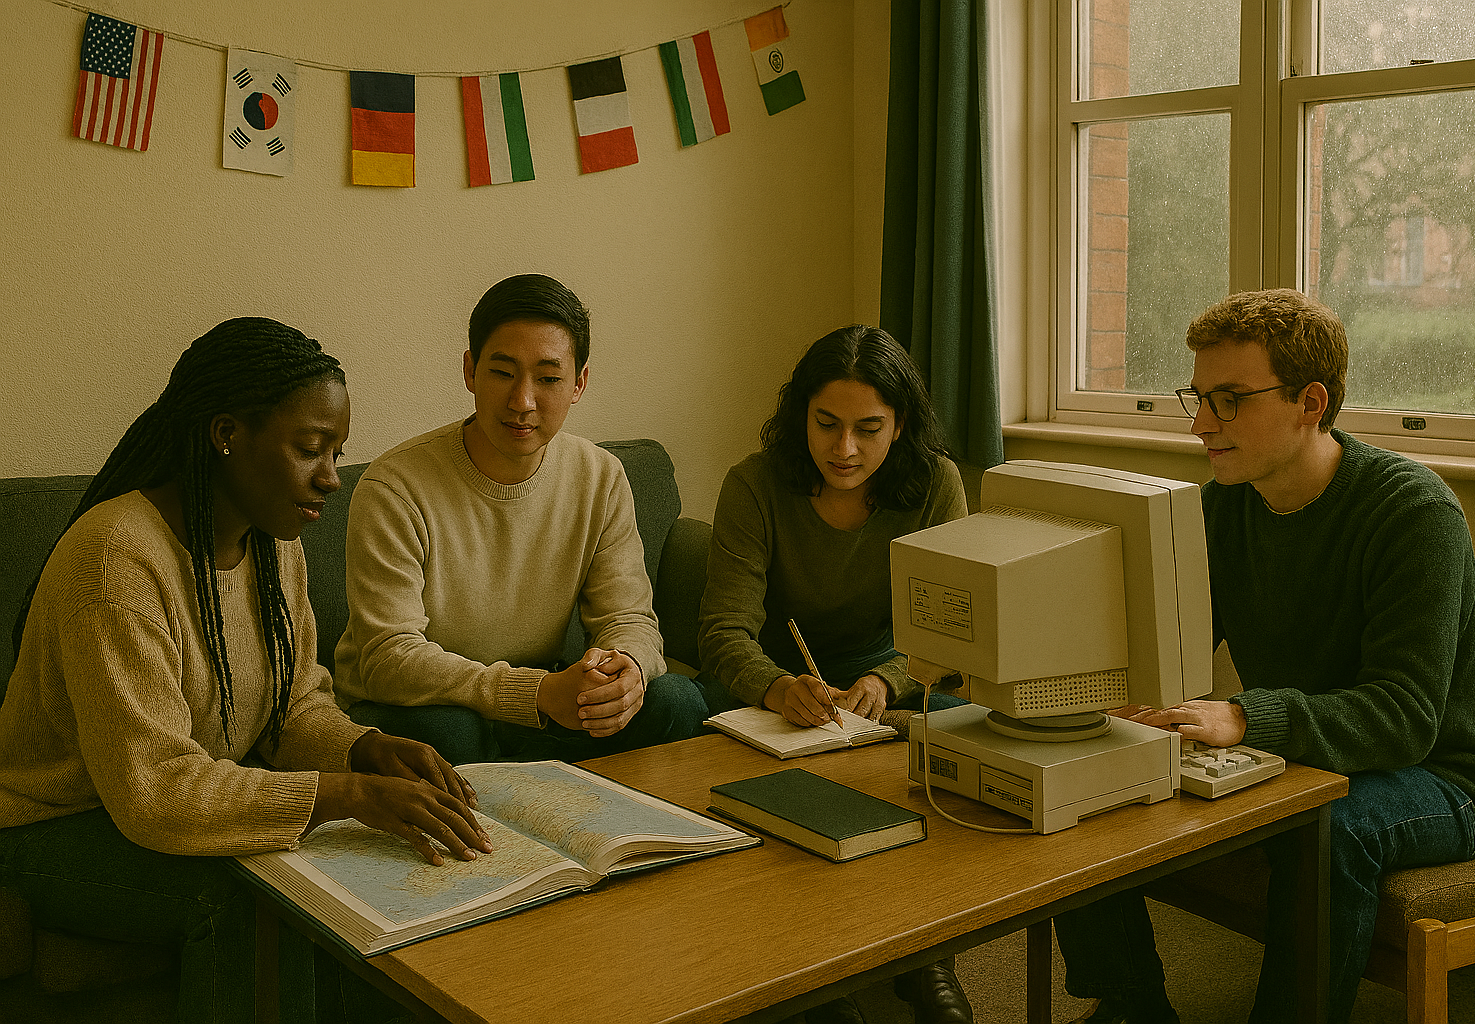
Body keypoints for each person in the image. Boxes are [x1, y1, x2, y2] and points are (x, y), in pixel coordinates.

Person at [0, 318, 491, 1024]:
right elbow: (155, 790)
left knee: (373, 867)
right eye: (310, 449)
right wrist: (349, 793)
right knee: (254, 898)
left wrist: (365, 748)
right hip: (52, 827)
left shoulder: (273, 542)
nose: (332, 476)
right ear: (227, 433)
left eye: (337, 452)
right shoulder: (115, 561)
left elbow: (294, 710)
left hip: (149, 810)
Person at [1052, 289, 1475, 1024]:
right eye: (1198, 398)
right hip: (1298, 756)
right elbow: (1170, 647)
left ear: (1310, 401)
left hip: (1437, 776)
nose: (1202, 424)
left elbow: (1406, 718)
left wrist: (1243, 714)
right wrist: (1102, 699)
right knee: (1079, 779)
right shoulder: (1221, 507)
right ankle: (1132, 1006)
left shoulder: (1413, 514)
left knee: (1324, 828)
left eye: (1228, 400)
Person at [697, 324, 974, 1024]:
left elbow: (954, 635)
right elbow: (723, 631)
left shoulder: (936, 483)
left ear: (900, 425)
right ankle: (822, 971)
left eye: (868, 429)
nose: (844, 449)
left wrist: (886, 681)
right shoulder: (754, 484)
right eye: (826, 425)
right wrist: (775, 684)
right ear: (801, 417)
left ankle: (926, 953)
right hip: (783, 683)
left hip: (899, 678)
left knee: (968, 743)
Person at [333, 274, 706, 764]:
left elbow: (628, 617)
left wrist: (624, 670)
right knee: (454, 735)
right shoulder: (394, 487)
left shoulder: (601, 477)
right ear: (470, 371)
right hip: (422, 707)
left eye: (549, 379)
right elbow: (389, 659)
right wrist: (534, 693)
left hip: (544, 701)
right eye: (502, 373)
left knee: (677, 702)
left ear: (580, 382)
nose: (522, 402)